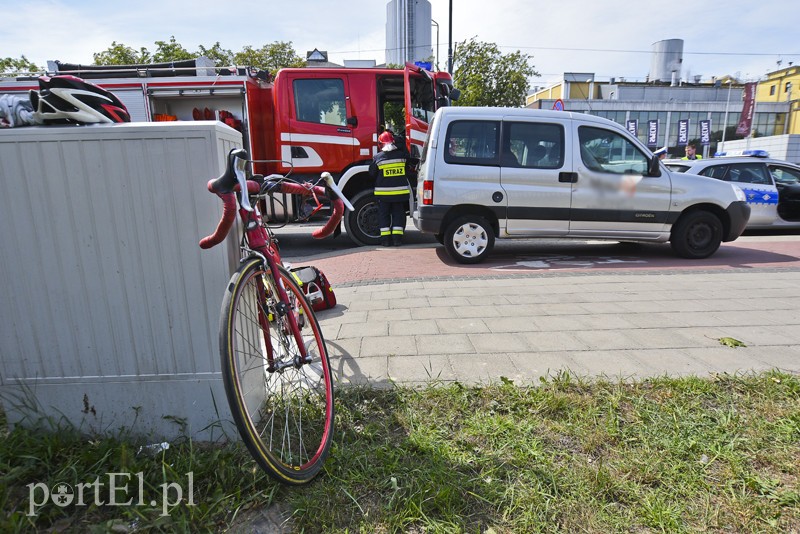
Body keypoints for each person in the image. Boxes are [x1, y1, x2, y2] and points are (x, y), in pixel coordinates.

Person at [369, 130, 411, 246]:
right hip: (399, 194)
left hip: (383, 195)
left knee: (383, 216)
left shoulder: (378, 157)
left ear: (380, 144)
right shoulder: (402, 156)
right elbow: (408, 168)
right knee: (398, 215)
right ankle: (397, 240)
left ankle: (385, 241)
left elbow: (372, 173)